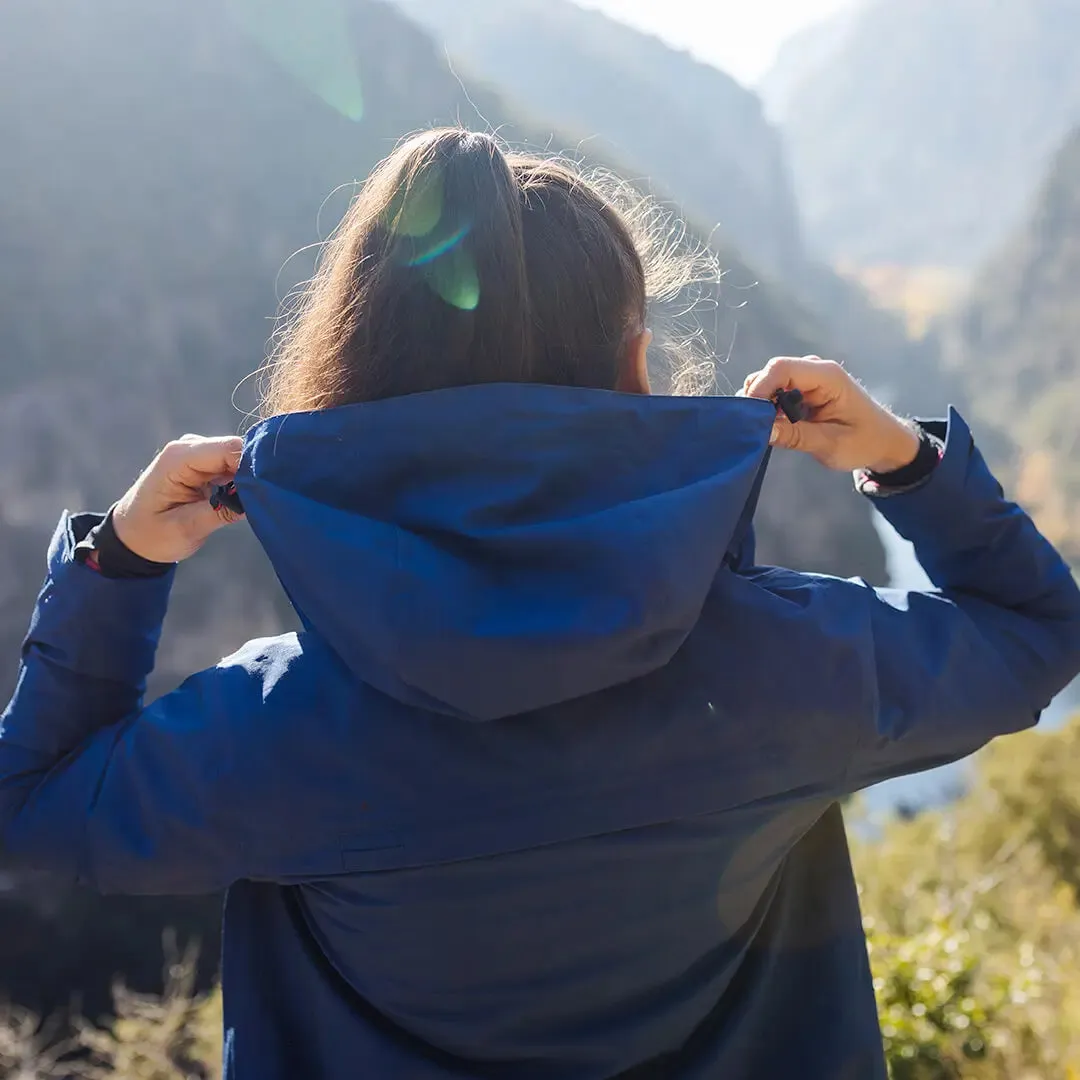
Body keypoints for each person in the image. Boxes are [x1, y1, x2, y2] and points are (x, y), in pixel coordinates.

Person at [2, 128, 1078, 1080]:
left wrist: (119, 562)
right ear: (635, 362)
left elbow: (30, 802)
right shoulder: (794, 670)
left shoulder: (268, 736)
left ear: (348, 380)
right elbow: (1038, 631)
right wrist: (904, 459)